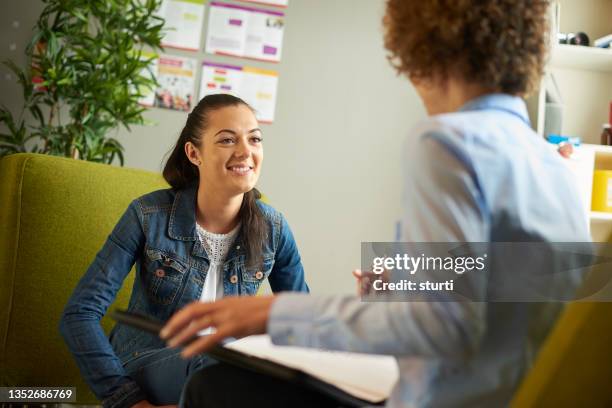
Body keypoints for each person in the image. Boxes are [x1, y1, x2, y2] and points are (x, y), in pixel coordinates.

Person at [161, 1, 591, 407]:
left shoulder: (447, 140)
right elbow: (506, 288)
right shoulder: (554, 167)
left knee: (211, 387)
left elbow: (442, 327)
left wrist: (272, 312)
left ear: (423, 47)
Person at [59, 94, 309, 408]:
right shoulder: (148, 215)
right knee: (220, 366)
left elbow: (303, 323)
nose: (246, 151)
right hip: (151, 362)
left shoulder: (274, 227)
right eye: (228, 140)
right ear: (194, 153)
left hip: (229, 374)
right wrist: (129, 402)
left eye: (255, 139)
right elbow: (79, 315)